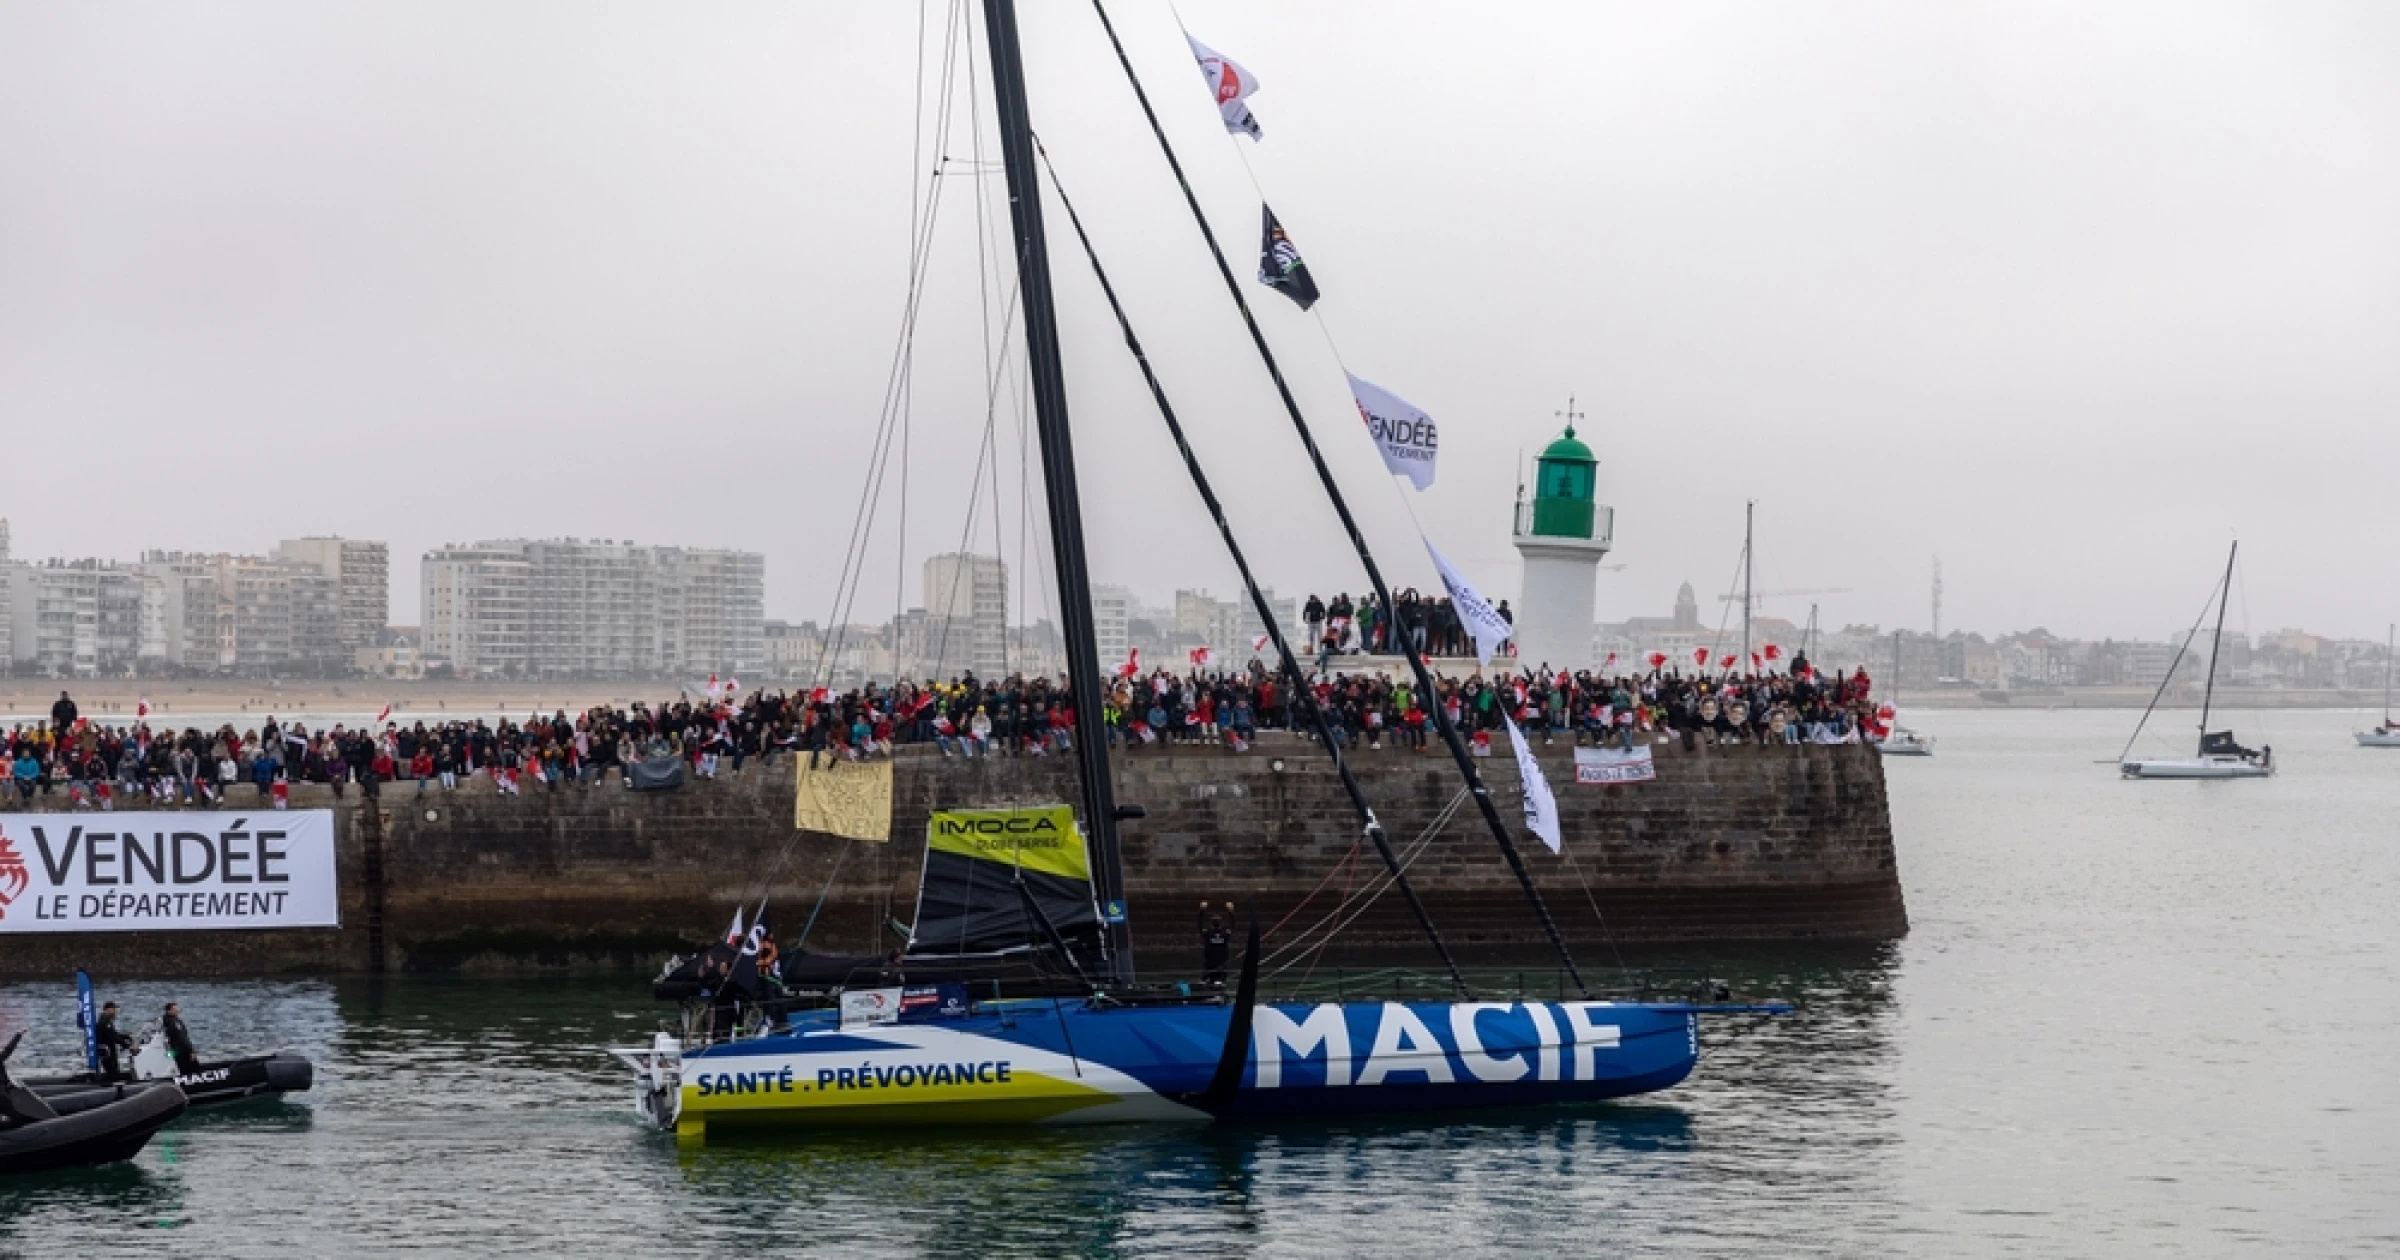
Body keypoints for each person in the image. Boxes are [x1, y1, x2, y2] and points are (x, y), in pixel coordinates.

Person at [94, 1001, 135, 1081]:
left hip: (110, 1052)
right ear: (107, 1010)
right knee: (113, 1074)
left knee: (113, 1072)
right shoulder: (104, 1022)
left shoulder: (107, 1021)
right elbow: (114, 1037)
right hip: (108, 1053)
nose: (115, 1011)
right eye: (113, 1009)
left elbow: (115, 1034)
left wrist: (127, 1036)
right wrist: (128, 1046)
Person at [1198, 901, 1234, 985]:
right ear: (1221, 924)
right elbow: (1232, 926)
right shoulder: (1225, 934)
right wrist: (1231, 912)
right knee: (1219, 984)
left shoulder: (1207, 933)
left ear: (1211, 924)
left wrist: (1202, 911)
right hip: (1220, 966)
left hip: (1210, 966)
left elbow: (1199, 925)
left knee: (1207, 983)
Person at [163, 1001, 200, 1076]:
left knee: (179, 1066)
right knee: (193, 1068)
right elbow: (182, 1038)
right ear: (169, 1011)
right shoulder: (175, 1022)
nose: (177, 1011)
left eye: (177, 1009)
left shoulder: (165, 1021)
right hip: (181, 1051)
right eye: (175, 1009)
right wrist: (191, 1051)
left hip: (174, 1050)